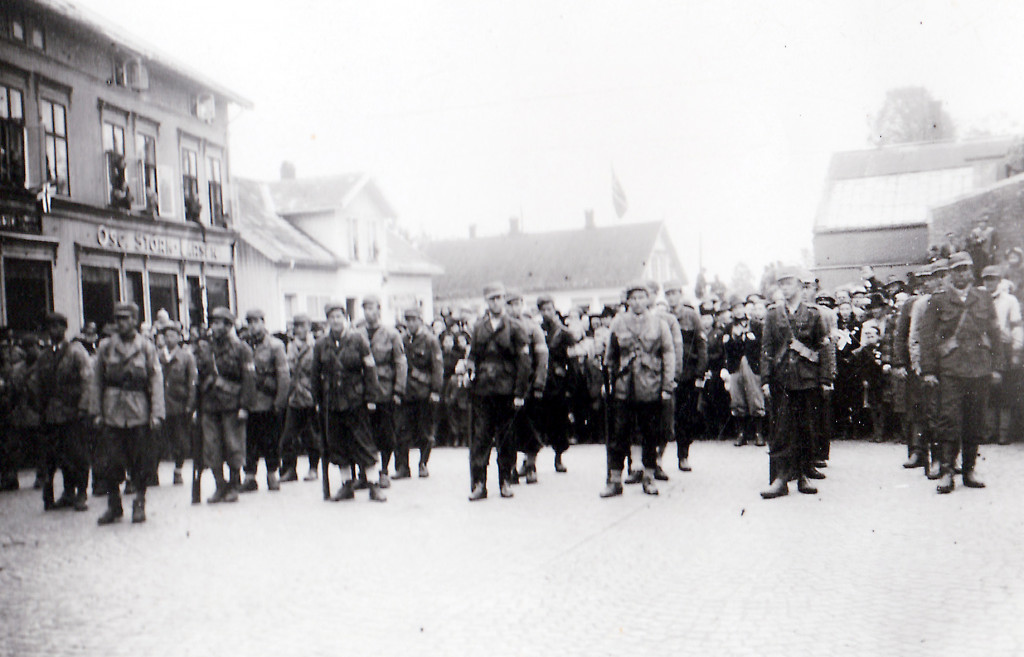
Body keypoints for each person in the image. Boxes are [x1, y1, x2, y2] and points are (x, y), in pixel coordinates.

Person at [920, 252, 1002, 494]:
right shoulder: (938, 300)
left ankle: (969, 470)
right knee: (949, 420)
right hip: (951, 370)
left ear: (971, 271)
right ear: (950, 274)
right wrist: (928, 370)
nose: (962, 273)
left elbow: (995, 335)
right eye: (957, 269)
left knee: (975, 421)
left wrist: (996, 367)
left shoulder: (984, 297)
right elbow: (926, 338)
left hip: (979, 369)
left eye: (965, 268)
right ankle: (947, 471)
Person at [759, 267, 832, 499]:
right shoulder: (772, 314)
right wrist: (765, 379)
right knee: (780, 430)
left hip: (807, 379)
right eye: (782, 283)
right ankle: (780, 479)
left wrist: (826, 378)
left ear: (801, 285)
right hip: (781, 379)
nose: (785, 287)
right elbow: (767, 350)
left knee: (806, 428)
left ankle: (803, 475)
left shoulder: (813, 314)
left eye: (789, 283)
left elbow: (823, 347)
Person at [90, 303, 164, 524]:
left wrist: (157, 413)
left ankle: (139, 502)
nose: (120, 323)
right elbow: (97, 381)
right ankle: (114, 506)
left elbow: (155, 380)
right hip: (112, 410)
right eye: (117, 319)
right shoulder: (106, 347)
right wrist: (96, 411)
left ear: (135, 320)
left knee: (140, 461)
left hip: (138, 410)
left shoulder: (146, 347)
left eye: (125, 318)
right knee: (110, 462)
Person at [600, 281, 674, 498]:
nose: (638, 302)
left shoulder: (659, 324)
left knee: (650, 434)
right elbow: (610, 357)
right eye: (633, 298)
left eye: (642, 297)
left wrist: (666, 385)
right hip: (623, 388)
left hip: (650, 387)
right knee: (618, 435)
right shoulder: (618, 322)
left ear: (648, 299)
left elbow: (668, 355)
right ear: (627, 301)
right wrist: (608, 384)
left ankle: (649, 478)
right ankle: (614, 481)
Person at [311, 301, 386, 502]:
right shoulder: (321, 345)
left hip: (355, 400)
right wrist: (317, 400)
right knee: (338, 445)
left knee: (364, 443)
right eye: (331, 317)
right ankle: (346, 485)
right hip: (332, 402)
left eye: (339, 317)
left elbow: (370, 371)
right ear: (327, 321)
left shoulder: (358, 340)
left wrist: (371, 398)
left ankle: (373, 484)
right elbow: (315, 375)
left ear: (345, 319)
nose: (335, 321)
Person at [462, 282, 531, 501]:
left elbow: (524, 363)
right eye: (492, 299)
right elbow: (473, 356)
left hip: (506, 391)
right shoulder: (479, 327)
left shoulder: (516, 327)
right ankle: (479, 484)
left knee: (506, 438)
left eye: (499, 298)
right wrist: (468, 372)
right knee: (480, 438)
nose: (496, 302)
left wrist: (520, 393)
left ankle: (505, 481)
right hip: (483, 391)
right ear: (487, 302)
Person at [195, 307, 255, 504]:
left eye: (219, 323)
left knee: (233, 446)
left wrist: (245, 406)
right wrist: (197, 406)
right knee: (212, 447)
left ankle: (233, 486)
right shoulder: (205, 348)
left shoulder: (242, 349)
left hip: (232, 404)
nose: (214, 327)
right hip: (210, 404)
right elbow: (199, 377)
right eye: (213, 323)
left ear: (229, 326)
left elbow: (248, 380)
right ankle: (219, 486)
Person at [35, 312, 93, 511]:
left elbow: (87, 380)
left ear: (64, 329)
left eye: (57, 327)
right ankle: (68, 493)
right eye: (50, 327)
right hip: (52, 413)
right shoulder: (44, 356)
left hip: (73, 412)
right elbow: (38, 384)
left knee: (78, 454)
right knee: (59, 455)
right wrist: (40, 409)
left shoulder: (76, 352)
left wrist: (83, 407)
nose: (53, 331)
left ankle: (81, 493)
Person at [357, 295, 406, 488]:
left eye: (371, 308)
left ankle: (384, 470)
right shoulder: (357, 333)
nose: (368, 312)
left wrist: (398, 390)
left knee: (385, 433)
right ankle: (365, 472)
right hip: (362, 391)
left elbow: (400, 363)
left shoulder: (391, 334)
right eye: (365, 309)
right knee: (363, 434)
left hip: (384, 390)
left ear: (379, 310)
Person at [241, 309, 290, 493]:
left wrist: (279, 401)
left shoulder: (275, 346)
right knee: (250, 440)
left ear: (263, 322)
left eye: (256, 322)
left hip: (268, 401)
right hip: (250, 401)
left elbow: (283, 375)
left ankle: (272, 474)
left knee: (270, 440)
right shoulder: (244, 345)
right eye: (250, 322)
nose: (253, 326)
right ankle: (250, 477)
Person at [665, 281, 707, 470]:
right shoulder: (662, 317)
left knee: (686, 416)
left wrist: (700, 372)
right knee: (665, 416)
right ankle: (657, 459)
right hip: (667, 374)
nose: (671, 297)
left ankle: (683, 455)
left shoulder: (691, 316)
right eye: (668, 294)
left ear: (680, 295)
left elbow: (701, 344)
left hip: (687, 374)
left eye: (674, 293)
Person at [397, 307, 444, 478]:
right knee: (402, 430)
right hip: (406, 393)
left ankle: (423, 464)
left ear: (420, 320)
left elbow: (437, 368)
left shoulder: (430, 340)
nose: (410, 323)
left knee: (425, 431)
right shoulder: (402, 340)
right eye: (408, 320)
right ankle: (403, 467)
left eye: (413, 320)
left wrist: (436, 390)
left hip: (424, 392)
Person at [982, 266, 1023, 445]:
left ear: (999, 280)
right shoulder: (978, 297)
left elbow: (1016, 327)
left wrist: (1016, 351)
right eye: (986, 279)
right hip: (983, 348)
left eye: (993, 279)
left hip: (1004, 347)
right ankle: (988, 431)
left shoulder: (1009, 300)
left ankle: (1003, 433)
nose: (989, 282)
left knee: (1005, 391)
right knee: (987, 391)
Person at [279, 313, 320, 482]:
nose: (299, 330)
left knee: (311, 436)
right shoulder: (290, 347)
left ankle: (313, 468)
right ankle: (290, 469)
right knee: (288, 436)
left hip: (310, 396)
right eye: (296, 326)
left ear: (309, 327)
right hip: (294, 396)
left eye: (302, 326)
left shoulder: (316, 345)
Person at [156, 320, 197, 486]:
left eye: (172, 335)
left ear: (179, 338)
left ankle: (178, 471)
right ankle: (153, 474)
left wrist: (190, 404)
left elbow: (192, 382)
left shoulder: (186, 356)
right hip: (161, 404)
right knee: (157, 440)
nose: (169, 338)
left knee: (180, 440)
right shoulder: (158, 356)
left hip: (179, 404)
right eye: (166, 335)